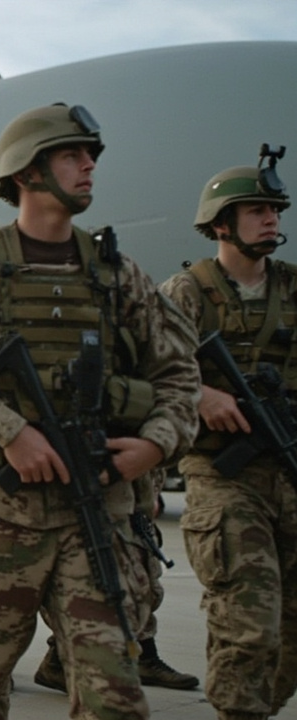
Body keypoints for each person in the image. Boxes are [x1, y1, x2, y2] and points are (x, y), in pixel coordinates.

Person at [0, 103, 201, 719]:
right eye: (71, 154)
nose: (89, 164)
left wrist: (156, 444)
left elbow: (180, 376)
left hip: (97, 513)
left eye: (89, 154)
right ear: (26, 172)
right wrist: (9, 432)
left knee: (115, 699)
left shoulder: (118, 275)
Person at [158, 154, 297, 720]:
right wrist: (201, 395)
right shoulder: (185, 293)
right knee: (248, 625)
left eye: (274, 210)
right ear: (221, 223)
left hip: (289, 466)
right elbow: (146, 373)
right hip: (224, 477)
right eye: (256, 210)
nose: (270, 219)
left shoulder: (292, 287)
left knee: (289, 638)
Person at [33, 468, 199, 693]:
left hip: (129, 485)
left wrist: (146, 495)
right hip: (67, 486)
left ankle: (142, 655)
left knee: (136, 580)